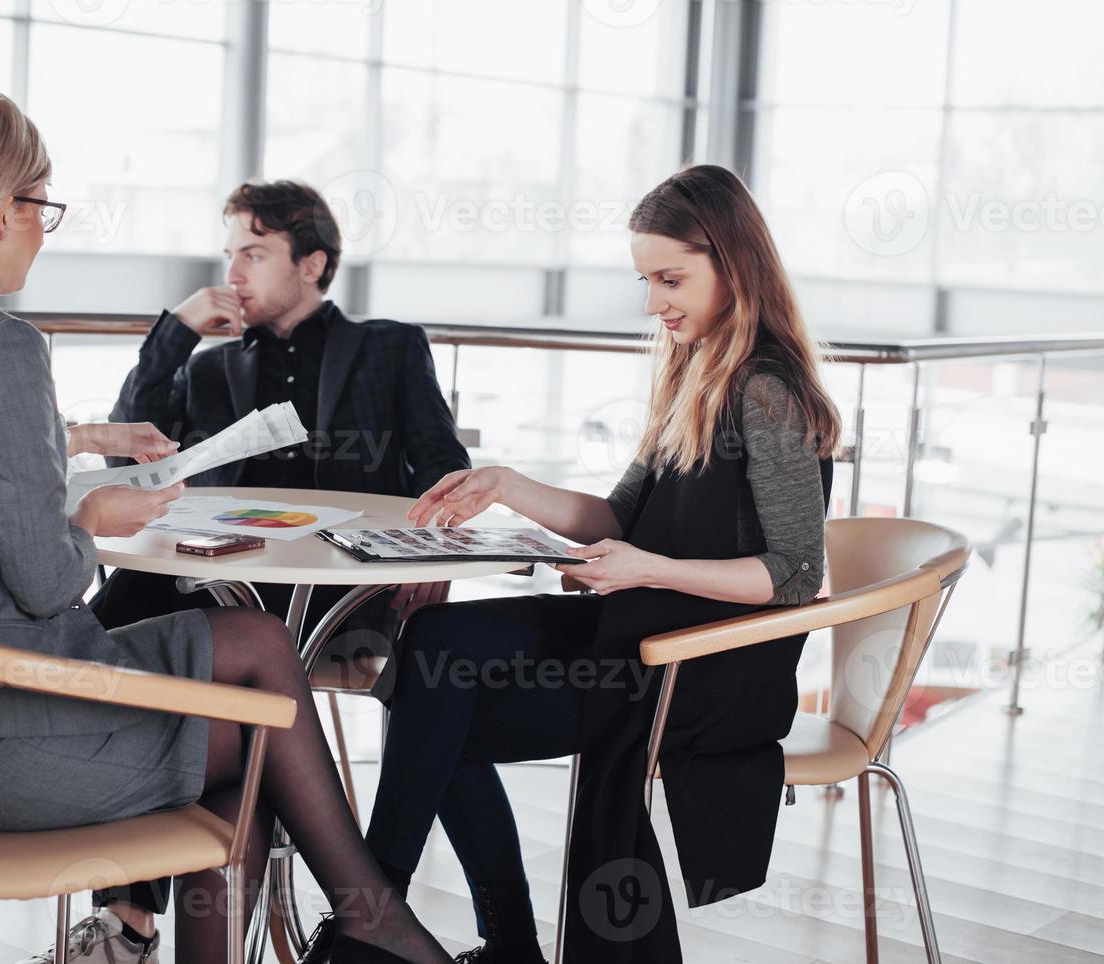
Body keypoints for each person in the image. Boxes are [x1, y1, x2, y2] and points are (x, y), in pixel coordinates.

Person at [0, 89, 451, 964]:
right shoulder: (4, 345)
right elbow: (47, 582)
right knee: (260, 700)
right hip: (7, 748)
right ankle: (374, 921)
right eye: (42, 205)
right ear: (0, 210)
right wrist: (91, 513)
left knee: (253, 669)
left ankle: (348, 922)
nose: (44, 229)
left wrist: (72, 443)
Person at [321, 164, 842, 963]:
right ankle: (392, 917)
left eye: (671, 279)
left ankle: (391, 928)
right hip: (640, 619)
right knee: (429, 648)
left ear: (735, 265)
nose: (654, 303)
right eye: (646, 280)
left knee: (439, 714)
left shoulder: (765, 391)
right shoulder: (692, 373)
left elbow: (796, 575)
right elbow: (616, 518)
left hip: (702, 662)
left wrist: (647, 569)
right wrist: (507, 488)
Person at [90, 179, 473, 947]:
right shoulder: (209, 369)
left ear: (313, 263)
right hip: (222, 582)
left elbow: (442, 463)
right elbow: (126, 452)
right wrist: (175, 333)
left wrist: (436, 551)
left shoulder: (391, 347)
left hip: (344, 598)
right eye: (230, 254)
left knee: (208, 679)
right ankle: (129, 916)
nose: (234, 272)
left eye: (254, 254)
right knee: (105, 630)